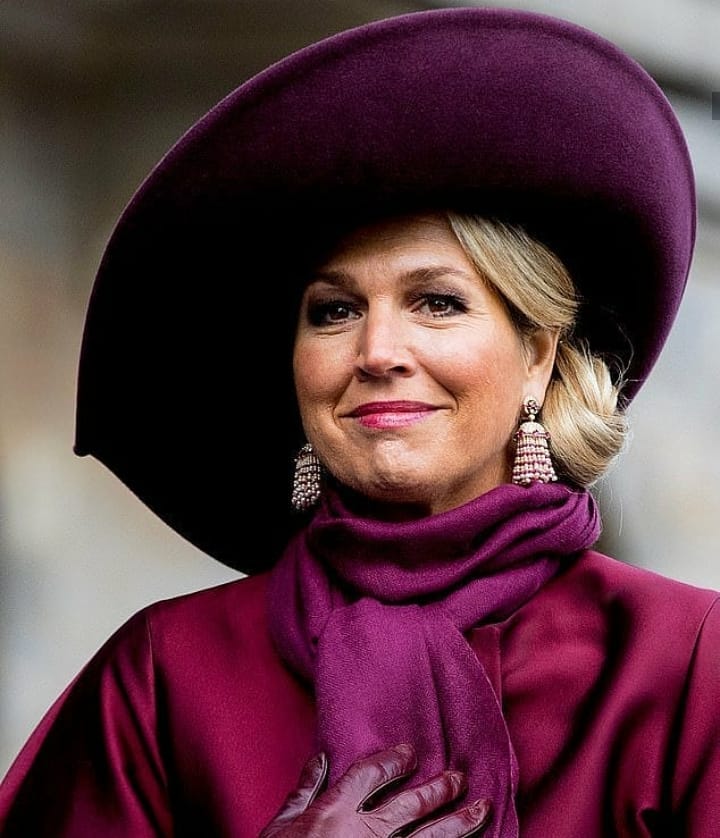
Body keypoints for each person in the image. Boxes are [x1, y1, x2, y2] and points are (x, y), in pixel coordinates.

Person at [0, 7, 716, 837]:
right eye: (334, 311)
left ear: (537, 355)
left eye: (437, 302)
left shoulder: (684, 661)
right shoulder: (165, 677)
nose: (376, 351)